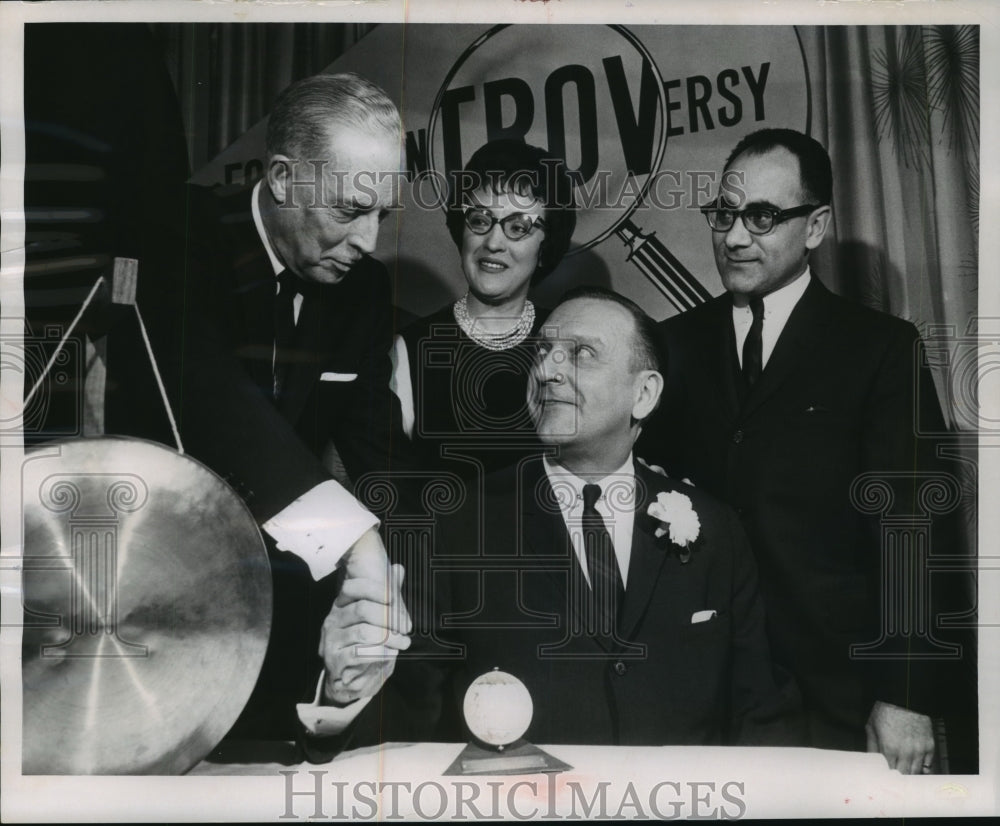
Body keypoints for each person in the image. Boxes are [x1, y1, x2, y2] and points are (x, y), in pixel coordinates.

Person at [636, 128, 973, 772]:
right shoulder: (668, 347)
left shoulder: (878, 349)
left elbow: (913, 530)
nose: (735, 236)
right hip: (701, 690)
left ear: (815, 226)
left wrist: (902, 695)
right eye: (724, 214)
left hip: (840, 694)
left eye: (762, 216)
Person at [109, 73, 412, 741]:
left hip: (284, 623)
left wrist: (389, 591)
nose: (368, 240)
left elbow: (377, 452)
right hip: (137, 608)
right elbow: (209, 398)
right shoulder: (174, 230)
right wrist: (352, 542)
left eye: (382, 215)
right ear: (281, 177)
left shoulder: (364, 289)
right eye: (349, 210)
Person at [418, 288, 799, 746]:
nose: (547, 372)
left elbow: (759, 710)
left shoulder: (716, 530)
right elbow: (408, 707)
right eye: (543, 352)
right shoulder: (458, 525)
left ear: (644, 394)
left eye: (580, 353)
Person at [392, 138, 576, 478]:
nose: (493, 242)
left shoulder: (567, 337)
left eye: (518, 228)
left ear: (545, 247)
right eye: (480, 220)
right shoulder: (410, 349)